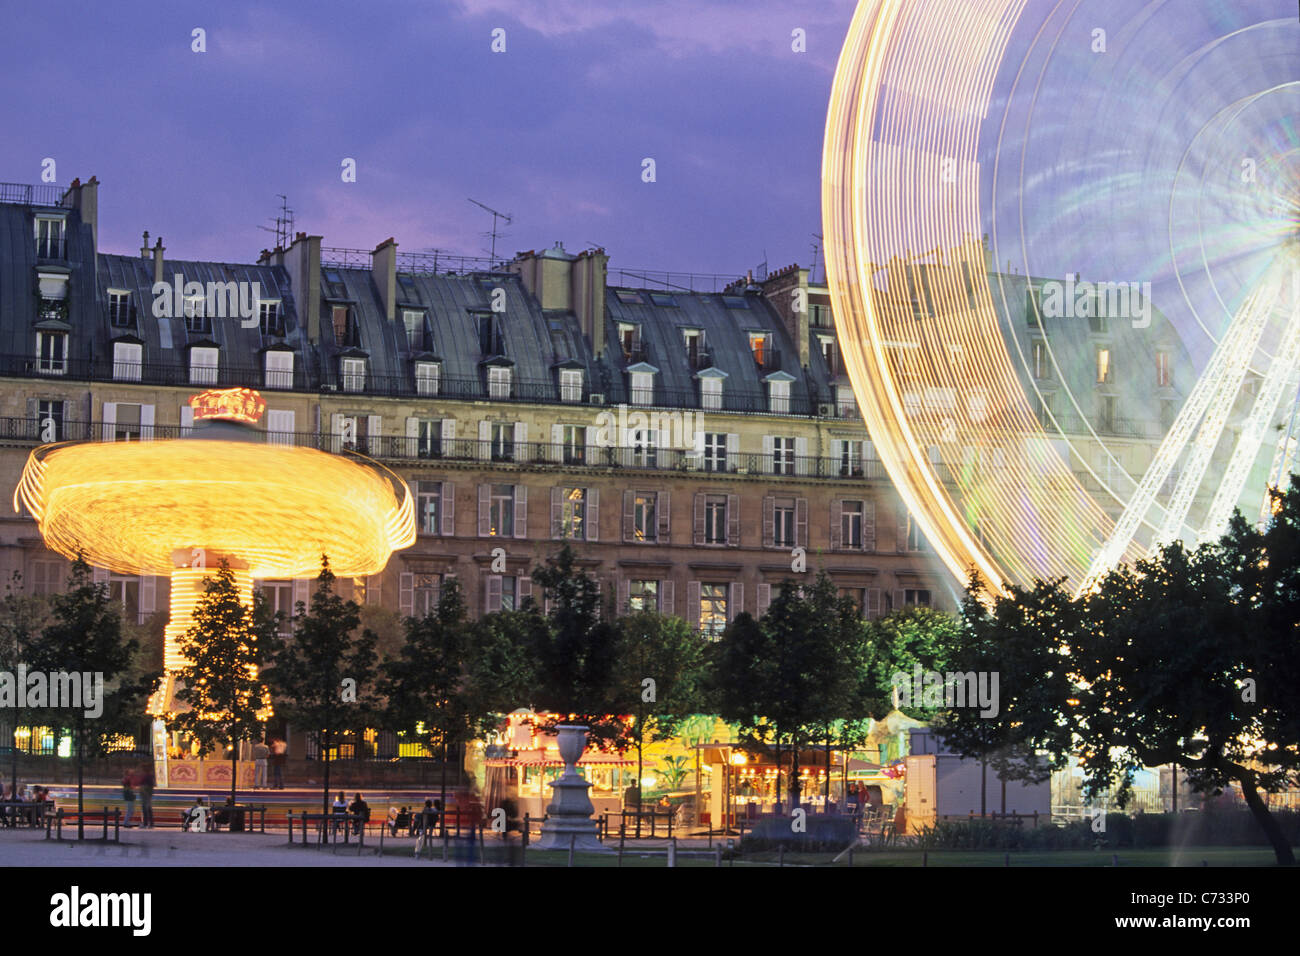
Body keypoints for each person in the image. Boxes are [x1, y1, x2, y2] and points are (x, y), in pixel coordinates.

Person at [138, 763, 155, 829]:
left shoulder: (146, 776)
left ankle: (146, 823)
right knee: (147, 809)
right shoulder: (149, 776)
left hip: (145, 794)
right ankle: (150, 823)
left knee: (146, 809)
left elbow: (146, 786)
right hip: (146, 793)